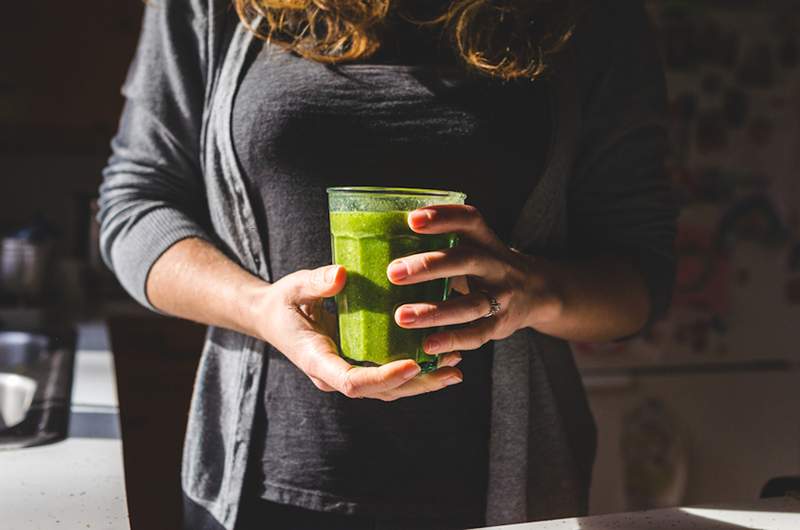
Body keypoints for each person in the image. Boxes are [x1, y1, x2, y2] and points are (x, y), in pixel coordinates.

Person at [99, 0, 677, 529]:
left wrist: (535, 291)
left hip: (504, 500)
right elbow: (134, 205)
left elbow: (641, 275)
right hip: (262, 493)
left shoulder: (587, 14)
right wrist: (258, 308)